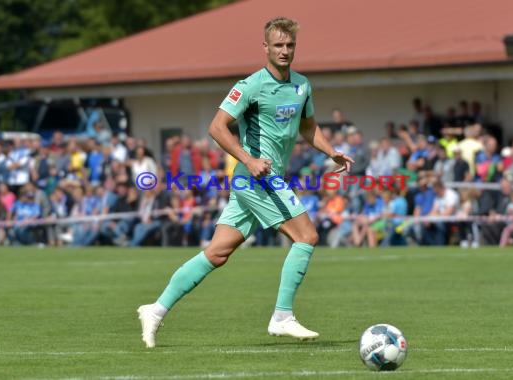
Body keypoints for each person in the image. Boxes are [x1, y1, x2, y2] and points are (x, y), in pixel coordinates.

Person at [137, 17, 353, 348]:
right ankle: (282, 316)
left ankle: (156, 309)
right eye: (278, 45)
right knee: (307, 235)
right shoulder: (250, 85)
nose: (284, 50)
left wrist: (331, 152)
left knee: (217, 253)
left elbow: (308, 127)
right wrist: (248, 159)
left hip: (263, 180)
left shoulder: (302, 86)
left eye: (290, 45)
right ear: (265, 47)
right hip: (257, 178)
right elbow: (217, 127)